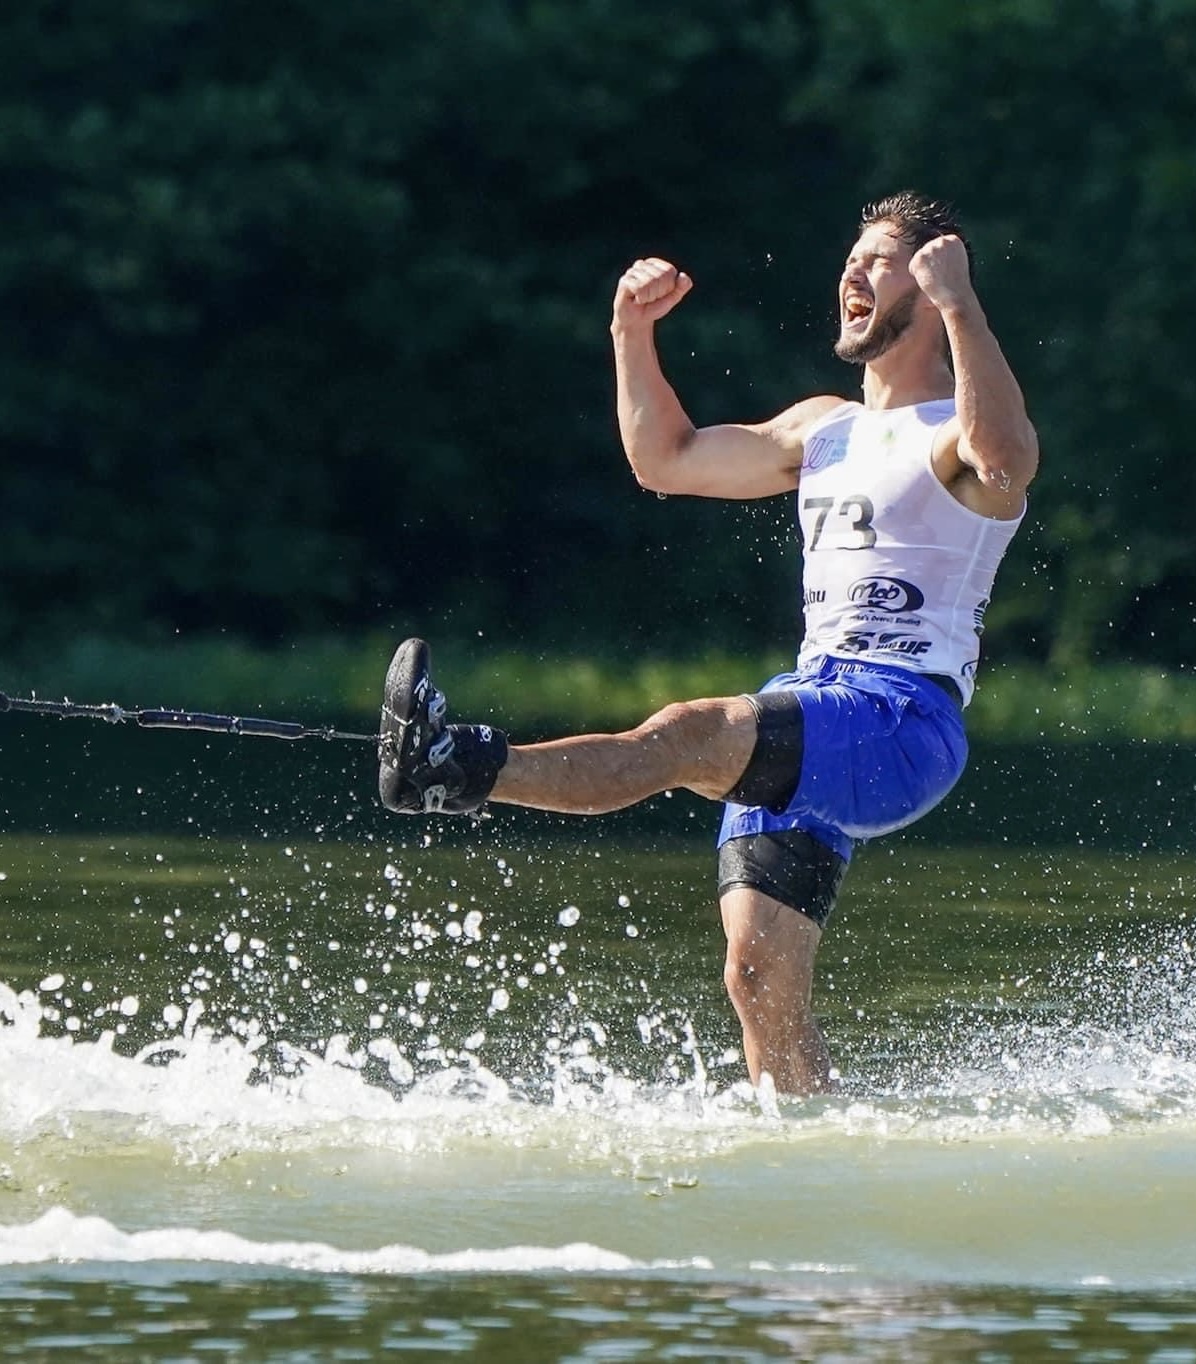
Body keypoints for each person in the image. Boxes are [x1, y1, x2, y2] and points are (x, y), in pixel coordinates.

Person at [377, 192, 1039, 1097]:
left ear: (929, 284)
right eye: (849, 256)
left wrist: (963, 303)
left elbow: (1005, 461)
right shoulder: (821, 429)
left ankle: (454, 765)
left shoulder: (955, 436)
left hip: (896, 720)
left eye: (877, 260)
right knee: (757, 977)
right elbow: (667, 460)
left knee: (689, 733)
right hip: (812, 700)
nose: (850, 271)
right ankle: (807, 1153)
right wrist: (628, 331)